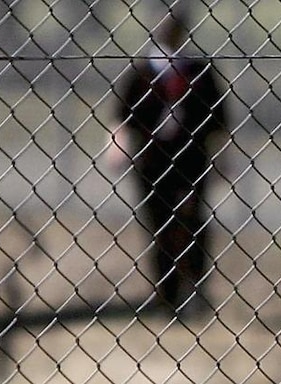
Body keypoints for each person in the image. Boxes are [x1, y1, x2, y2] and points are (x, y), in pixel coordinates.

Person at [109, 13, 227, 315]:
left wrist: (223, 156)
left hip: (191, 159)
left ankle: (196, 285)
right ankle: (168, 292)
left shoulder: (198, 72)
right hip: (152, 161)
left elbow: (218, 119)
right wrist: (117, 144)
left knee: (193, 221)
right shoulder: (142, 72)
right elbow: (122, 116)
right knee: (159, 223)